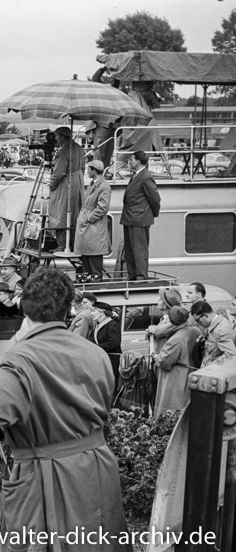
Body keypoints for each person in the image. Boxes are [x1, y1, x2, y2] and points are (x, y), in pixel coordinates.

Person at [0, 268, 129, 548]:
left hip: (47, 475)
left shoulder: (21, 357)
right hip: (97, 469)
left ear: (24, 307)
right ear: (68, 308)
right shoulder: (96, 353)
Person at [152, 306, 202, 417]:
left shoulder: (176, 339)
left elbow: (165, 361)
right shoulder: (195, 330)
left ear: (172, 321)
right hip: (191, 373)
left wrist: (157, 357)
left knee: (171, 409)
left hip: (176, 378)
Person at [121, 151, 161, 280]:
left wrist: (149, 214)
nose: (129, 162)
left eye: (131, 159)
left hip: (139, 218)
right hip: (131, 217)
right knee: (130, 250)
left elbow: (155, 199)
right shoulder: (137, 175)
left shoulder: (145, 177)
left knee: (139, 250)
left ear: (138, 161)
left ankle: (140, 276)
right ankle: (132, 274)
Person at [48, 127, 84, 252]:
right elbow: (83, 167)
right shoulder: (79, 148)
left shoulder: (65, 151)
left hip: (66, 182)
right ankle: (74, 242)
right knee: (75, 212)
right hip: (78, 181)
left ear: (62, 137)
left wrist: (52, 184)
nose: (56, 139)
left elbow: (59, 172)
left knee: (60, 212)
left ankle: (62, 244)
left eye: (57, 136)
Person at [75, 159, 111, 282]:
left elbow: (102, 208)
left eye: (89, 169)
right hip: (88, 224)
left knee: (94, 253)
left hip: (94, 225)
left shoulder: (103, 186)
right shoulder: (93, 184)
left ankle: (95, 277)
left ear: (94, 171)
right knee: (86, 252)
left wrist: (89, 218)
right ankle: (87, 274)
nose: (87, 171)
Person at [191, 301, 236, 367]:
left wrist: (211, 365)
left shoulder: (220, 330)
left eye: (198, 320)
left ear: (206, 315)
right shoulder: (212, 324)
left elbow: (230, 354)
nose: (198, 323)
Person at [90, 302, 122, 387]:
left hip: (112, 360)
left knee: (110, 384)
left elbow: (114, 343)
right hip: (101, 359)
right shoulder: (97, 325)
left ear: (102, 312)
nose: (91, 314)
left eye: (93, 311)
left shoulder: (112, 324)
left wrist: (95, 348)